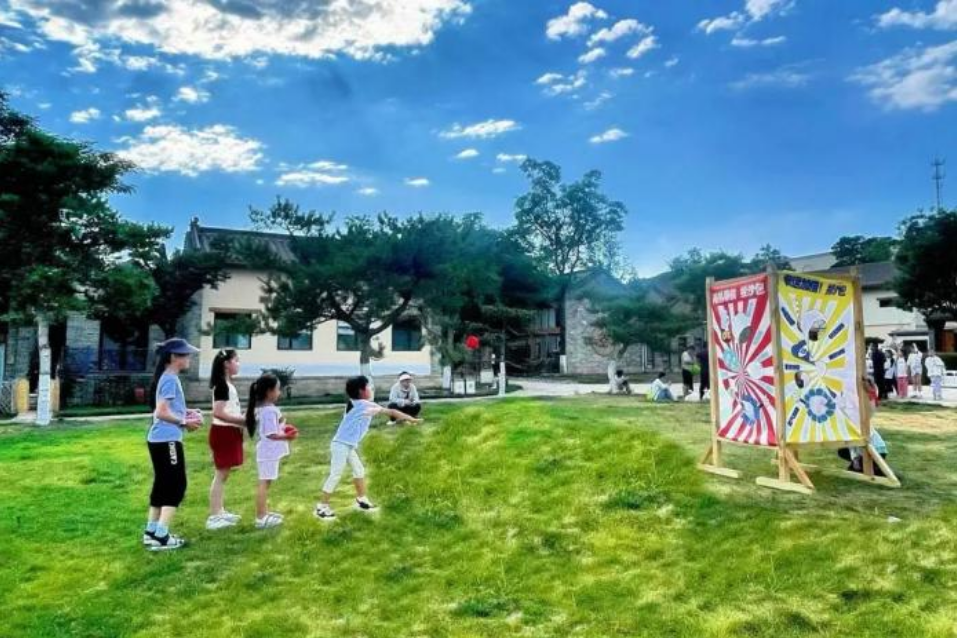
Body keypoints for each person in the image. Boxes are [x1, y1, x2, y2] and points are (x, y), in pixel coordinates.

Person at [315, 375, 421, 521]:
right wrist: (412, 419)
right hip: (341, 445)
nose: (371, 389)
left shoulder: (354, 403)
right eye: (368, 387)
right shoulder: (364, 405)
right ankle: (322, 506)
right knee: (336, 474)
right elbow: (392, 412)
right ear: (361, 391)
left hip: (347, 445)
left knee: (359, 470)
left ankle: (361, 499)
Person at [143, 338, 203, 551]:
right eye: (185, 355)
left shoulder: (168, 377)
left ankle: (151, 532)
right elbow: (160, 412)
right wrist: (184, 422)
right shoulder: (169, 379)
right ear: (173, 357)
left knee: (162, 484)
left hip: (160, 439)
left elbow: (166, 408)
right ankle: (162, 535)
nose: (189, 358)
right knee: (176, 485)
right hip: (167, 439)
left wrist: (187, 412)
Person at [246, 373, 297, 529]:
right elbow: (271, 433)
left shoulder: (267, 409)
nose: (279, 392)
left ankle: (264, 513)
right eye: (277, 389)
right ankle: (261, 517)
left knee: (266, 483)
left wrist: (284, 427)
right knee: (264, 483)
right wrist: (287, 436)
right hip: (267, 453)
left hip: (268, 453)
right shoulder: (269, 410)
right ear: (269, 392)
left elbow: (275, 427)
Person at [206, 349, 247, 531]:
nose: (238, 364)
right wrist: (241, 421)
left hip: (230, 432)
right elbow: (218, 412)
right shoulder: (222, 385)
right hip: (222, 433)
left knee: (224, 474)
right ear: (226, 364)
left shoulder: (228, 385)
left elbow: (230, 410)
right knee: (220, 474)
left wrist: (243, 419)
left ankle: (220, 511)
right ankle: (214, 516)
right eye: (236, 360)